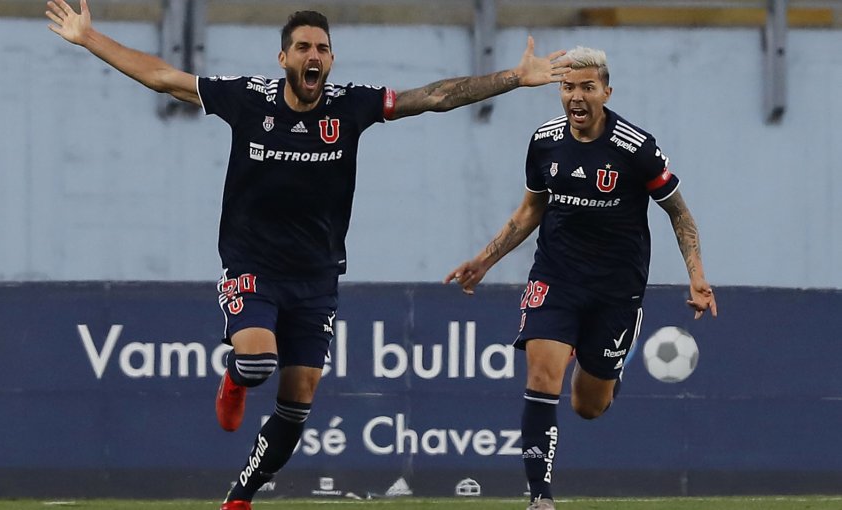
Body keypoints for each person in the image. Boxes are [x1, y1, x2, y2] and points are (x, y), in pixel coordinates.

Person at [45, 1, 573, 508]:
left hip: (317, 277)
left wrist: (513, 77)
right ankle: (234, 379)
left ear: (331, 58)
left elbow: (433, 96)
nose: (313, 56)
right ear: (284, 59)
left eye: (322, 47)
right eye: (302, 47)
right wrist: (88, 37)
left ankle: (239, 498)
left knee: (297, 404)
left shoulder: (351, 106)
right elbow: (163, 77)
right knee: (256, 361)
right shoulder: (248, 98)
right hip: (253, 265)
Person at [444, 46, 717, 510]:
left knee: (587, 406)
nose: (575, 95)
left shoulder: (636, 148)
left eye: (587, 87)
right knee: (542, 374)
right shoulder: (545, 141)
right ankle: (540, 498)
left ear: (606, 92)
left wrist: (698, 277)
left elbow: (680, 214)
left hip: (616, 288)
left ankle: (607, 376)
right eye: (567, 87)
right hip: (556, 276)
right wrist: (485, 260)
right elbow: (531, 209)